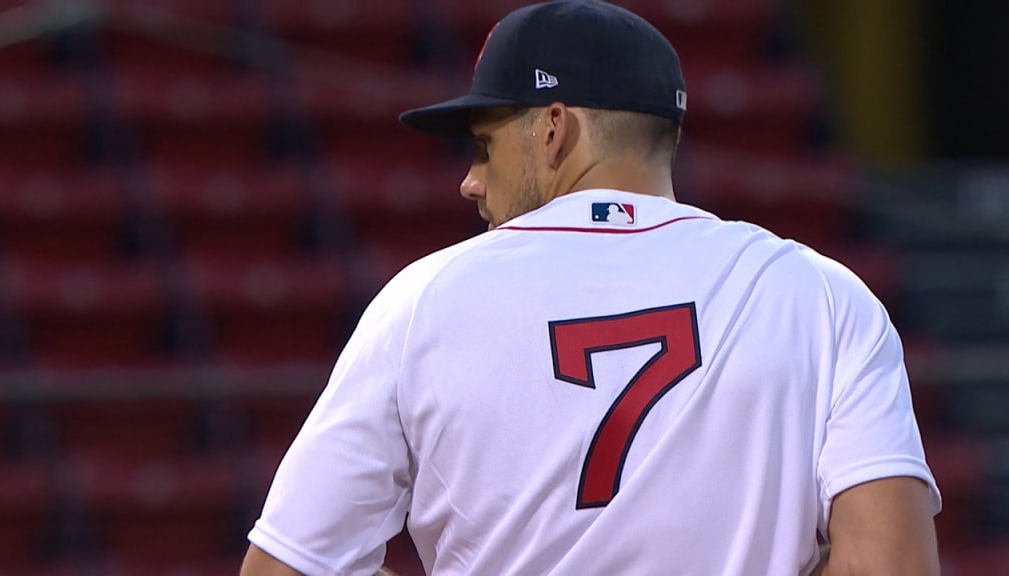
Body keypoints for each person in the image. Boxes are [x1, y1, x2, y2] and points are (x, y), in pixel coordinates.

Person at [240, 1, 941, 574]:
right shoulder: (820, 295)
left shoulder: (423, 301)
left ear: (552, 129)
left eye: (484, 144)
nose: (470, 180)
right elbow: (894, 566)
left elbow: (286, 569)